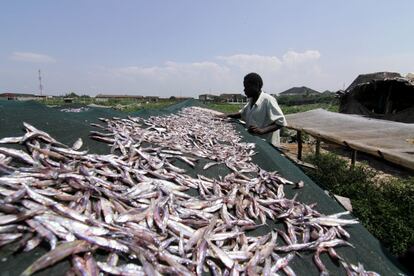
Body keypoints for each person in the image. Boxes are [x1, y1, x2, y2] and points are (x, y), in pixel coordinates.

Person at [224, 72, 287, 146]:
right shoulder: (251, 101)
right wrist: (226, 115)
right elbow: (242, 114)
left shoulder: (268, 100)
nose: (244, 90)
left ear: (256, 86)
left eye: (246, 87)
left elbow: (281, 122)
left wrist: (262, 130)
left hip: (268, 145)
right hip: (255, 143)